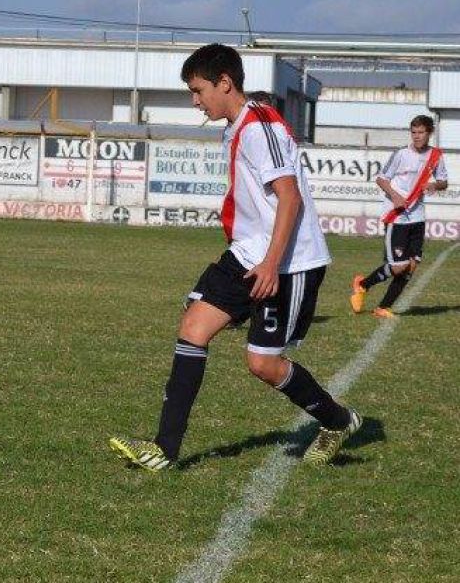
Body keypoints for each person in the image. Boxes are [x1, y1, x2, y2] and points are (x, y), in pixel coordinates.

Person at [109, 43, 361, 470]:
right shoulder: (239, 125)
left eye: (198, 90)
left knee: (262, 364)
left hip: (288, 262)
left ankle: (337, 420)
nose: (195, 100)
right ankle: (164, 451)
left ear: (224, 83)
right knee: (193, 326)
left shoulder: (261, 128)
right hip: (248, 254)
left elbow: (290, 196)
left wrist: (270, 263)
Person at [350, 116, 448, 318]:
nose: (417, 136)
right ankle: (362, 285)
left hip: (417, 216)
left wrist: (434, 185)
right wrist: (395, 196)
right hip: (397, 216)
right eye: (413, 132)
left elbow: (444, 182)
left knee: (411, 266)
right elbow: (381, 178)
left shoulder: (436, 156)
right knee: (398, 267)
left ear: (429, 133)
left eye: (421, 132)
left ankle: (383, 307)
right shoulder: (401, 154)